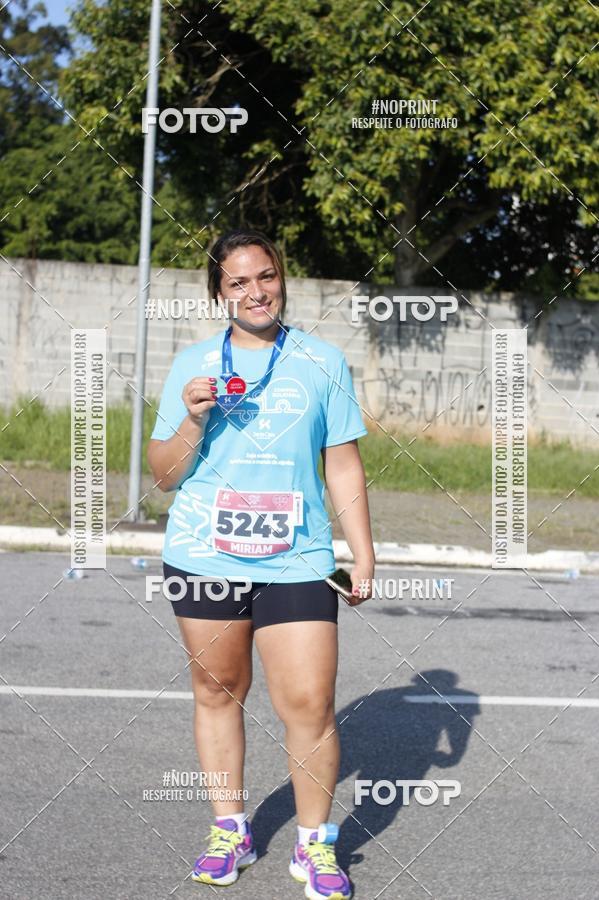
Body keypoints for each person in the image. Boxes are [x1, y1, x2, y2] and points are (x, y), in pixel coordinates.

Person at [148, 228, 375, 899]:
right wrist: (192, 418)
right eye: (238, 281)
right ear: (219, 292)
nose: (256, 290)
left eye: (266, 275)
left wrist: (362, 549)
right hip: (203, 553)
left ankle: (315, 847)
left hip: (297, 557)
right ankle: (231, 831)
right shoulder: (192, 364)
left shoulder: (322, 360)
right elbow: (163, 476)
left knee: (307, 701)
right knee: (218, 692)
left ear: (282, 278)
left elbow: (341, 460)